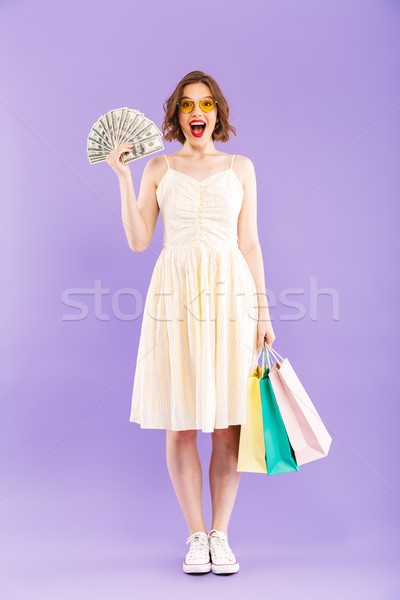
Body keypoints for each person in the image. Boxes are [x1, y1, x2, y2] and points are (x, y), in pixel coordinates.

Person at [106, 70, 276, 575]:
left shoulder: (241, 167)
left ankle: (221, 536)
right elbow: (139, 240)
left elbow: (249, 243)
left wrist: (264, 312)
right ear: (176, 115)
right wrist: (122, 176)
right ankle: (194, 536)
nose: (197, 113)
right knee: (182, 424)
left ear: (218, 112)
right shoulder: (158, 167)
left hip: (232, 298)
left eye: (205, 105)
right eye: (186, 106)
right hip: (174, 298)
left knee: (228, 423)